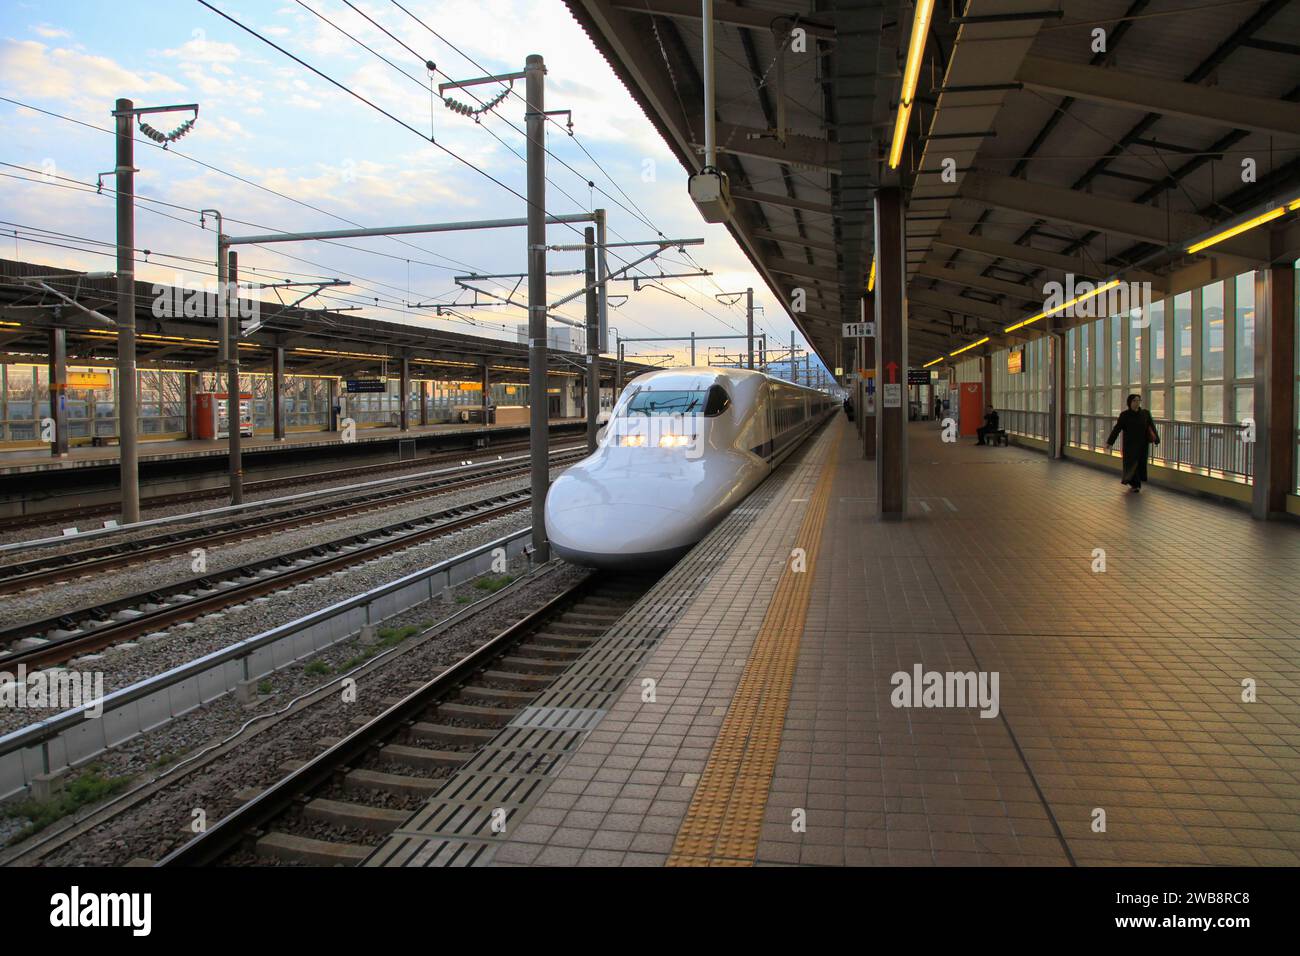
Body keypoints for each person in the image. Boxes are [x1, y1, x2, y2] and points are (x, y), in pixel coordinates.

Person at [1106, 394, 1159, 492]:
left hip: (1143, 444)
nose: (1137, 403)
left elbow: (1151, 427)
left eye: (1139, 400)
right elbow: (1117, 429)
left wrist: (1156, 439)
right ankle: (1135, 484)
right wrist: (1110, 442)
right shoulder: (1125, 415)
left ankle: (1135, 483)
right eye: (1134, 401)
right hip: (1130, 445)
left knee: (1140, 463)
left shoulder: (1145, 414)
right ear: (1129, 402)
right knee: (1131, 464)